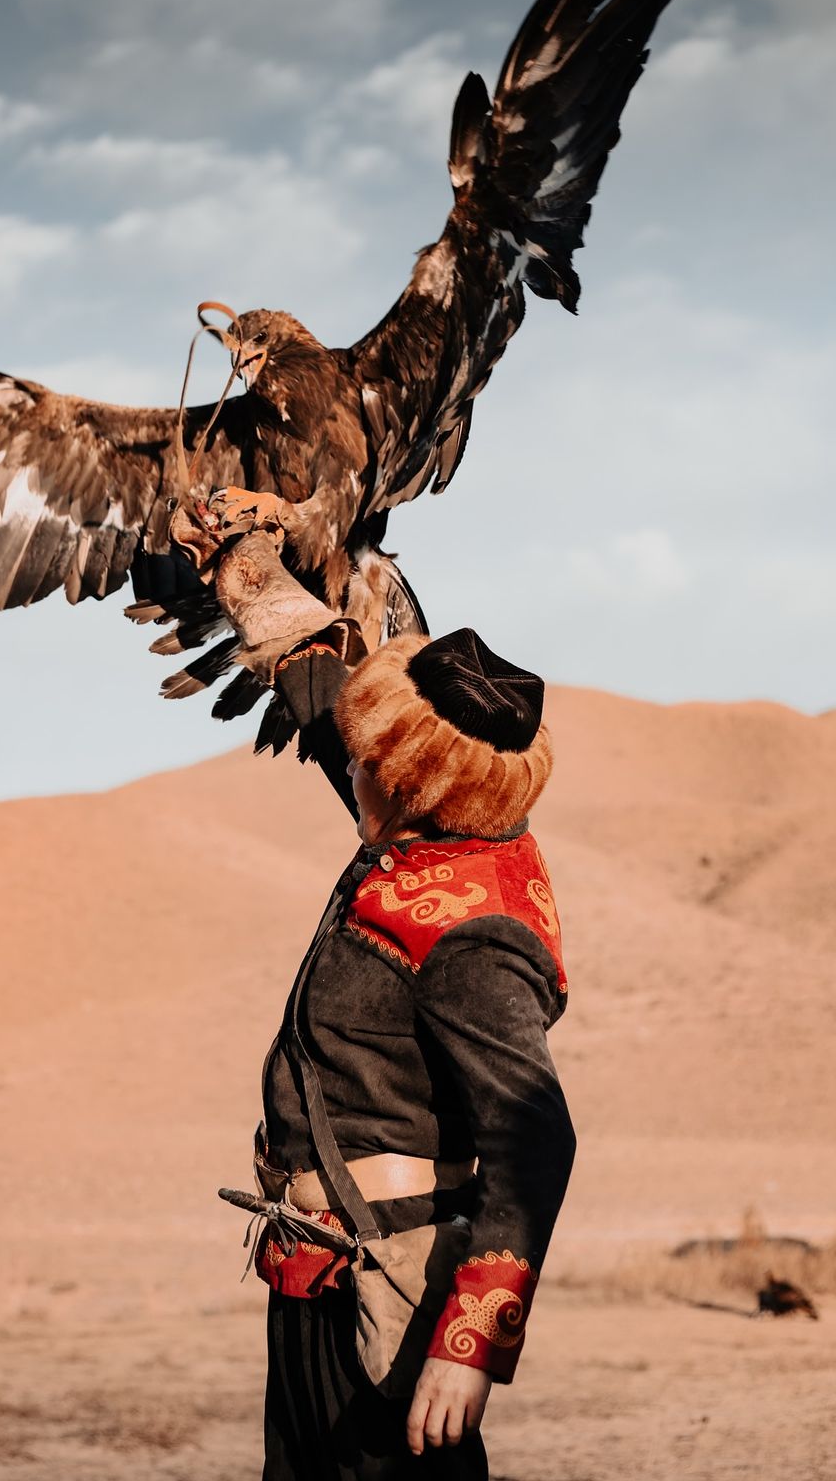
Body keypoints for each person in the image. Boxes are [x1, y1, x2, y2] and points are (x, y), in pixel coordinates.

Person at [206, 528, 577, 1480]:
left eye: (372, 763)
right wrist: (252, 586)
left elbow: (537, 1139)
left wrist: (472, 1343)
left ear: (416, 788)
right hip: (313, 1269)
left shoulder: (477, 934)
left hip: (392, 1286)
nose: (353, 768)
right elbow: (349, 728)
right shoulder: (424, 832)